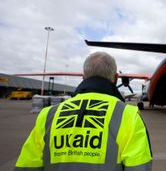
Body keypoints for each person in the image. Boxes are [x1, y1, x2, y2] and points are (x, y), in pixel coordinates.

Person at [14, 51, 152, 171]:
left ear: (83, 77)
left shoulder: (47, 115)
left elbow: (26, 166)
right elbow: (139, 167)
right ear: (116, 79)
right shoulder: (129, 116)